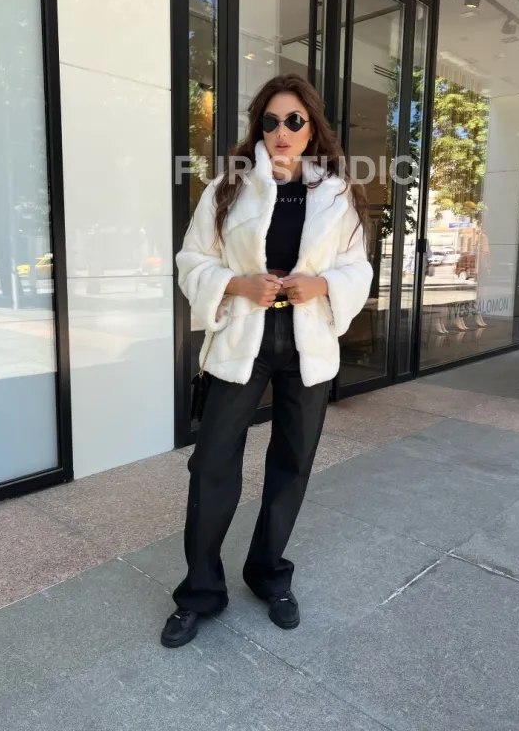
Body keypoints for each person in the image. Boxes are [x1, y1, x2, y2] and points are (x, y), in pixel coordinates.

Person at [161, 74, 373, 648]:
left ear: (312, 129)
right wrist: (237, 283)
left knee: (292, 463)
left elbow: (358, 267)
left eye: (294, 121)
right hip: (242, 341)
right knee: (212, 465)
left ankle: (268, 574)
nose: (282, 131)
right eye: (272, 121)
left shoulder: (337, 193)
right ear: (259, 127)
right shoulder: (227, 188)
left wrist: (322, 285)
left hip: (307, 343)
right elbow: (191, 260)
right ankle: (200, 592)